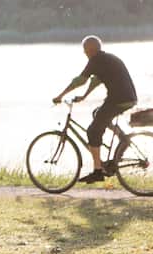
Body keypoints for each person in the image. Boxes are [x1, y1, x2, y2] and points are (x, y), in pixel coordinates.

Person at [52, 35, 138, 184]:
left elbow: (80, 80)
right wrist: (84, 96)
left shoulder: (95, 61)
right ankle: (123, 139)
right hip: (127, 98)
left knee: (92, 131)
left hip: (118, 100)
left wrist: (60, 95)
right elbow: (96, 80)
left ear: (90, 50)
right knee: (97, 114)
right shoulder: (106, 59)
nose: (85, 54)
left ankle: (98, 171)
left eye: (85, 51)